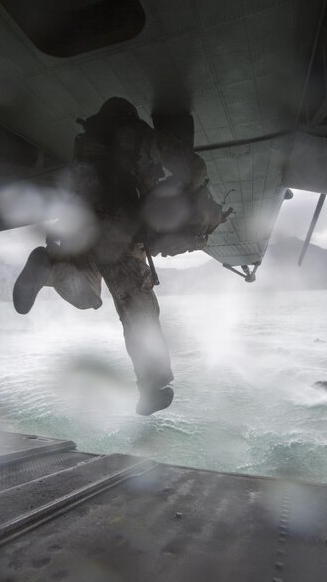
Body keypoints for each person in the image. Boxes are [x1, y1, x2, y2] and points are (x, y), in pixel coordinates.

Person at [13, 98, 224, 415]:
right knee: (139, 310)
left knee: (87, 294)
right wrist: (192, 190)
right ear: (129, 116)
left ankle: (50, 269)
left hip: (75, 225)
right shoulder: (137, 136)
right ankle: (152, 387)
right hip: (118, 231)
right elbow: (192, 167)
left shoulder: (86, 144)